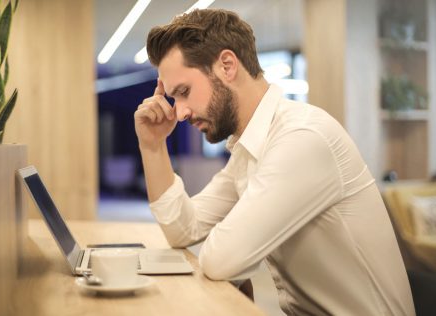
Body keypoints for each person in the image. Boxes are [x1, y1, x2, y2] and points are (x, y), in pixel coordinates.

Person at [134, 8, 415, 316]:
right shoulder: (249, 149)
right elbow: (183, 230)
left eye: (184, 92)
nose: (181, 112)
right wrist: (152, 145)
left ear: (227, 65)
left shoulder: (302, 138)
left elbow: (220, 260)